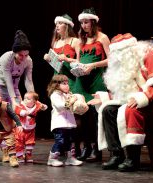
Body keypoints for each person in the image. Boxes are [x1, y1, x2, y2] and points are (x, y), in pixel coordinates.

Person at [88, 33, 153, 172]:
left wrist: (143, 98)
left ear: (127, 51)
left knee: (131, 109)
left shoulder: (148, 56)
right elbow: (123, 91)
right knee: (108, 110)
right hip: (133, 100)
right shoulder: (123, 65)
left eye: (119, 54)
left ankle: (133, 159)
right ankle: (116, 154)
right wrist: (105, 97)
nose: (117, 58)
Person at [0, 29, 34, 162]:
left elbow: (28, 80)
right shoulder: (6, 58)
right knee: (2, 118)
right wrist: (13, 101)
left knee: (16, 117)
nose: (23, 58)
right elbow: (8, 80)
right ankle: (3, 150)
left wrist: (34, 98)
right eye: (20, 55)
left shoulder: (28, 61)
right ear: (15, 53)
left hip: (13, 88)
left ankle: (12, 149)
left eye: (26, 55)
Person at [73, 7, 110, 162]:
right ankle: (85, 147)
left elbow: (111, 59)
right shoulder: (81, 40)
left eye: (86, 22)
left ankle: (97, 149)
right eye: (81, 22)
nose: (83, 25)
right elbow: (79, 59)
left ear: (93, 22)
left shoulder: (102, 38)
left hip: (96, 80)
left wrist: (93, 66)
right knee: (81, 115)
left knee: (96, 117)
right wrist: (78, 66)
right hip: (82, 80)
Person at [46, 74, 83, 167]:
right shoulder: (54, 95)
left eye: (67, 83)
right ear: (56, 85)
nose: (67, 85)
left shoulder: (66, 95)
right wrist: (71, 100)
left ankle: (70, 158)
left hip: (69, 123)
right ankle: (52, 159)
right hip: (59, 123)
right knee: (60, 141)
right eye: (64, 83)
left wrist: (76, 99)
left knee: (70, 141)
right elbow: (61, 106)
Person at [43, 14, 79, 92]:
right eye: (56, 24)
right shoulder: (55, 42)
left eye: (60, 23)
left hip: (69, 80)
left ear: (67, 26)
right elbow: (55, 64)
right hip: (56, 79)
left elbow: (80, 62)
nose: (57, 26)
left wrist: (66, 59)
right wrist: (48, 58)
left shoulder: (75, 41)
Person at [14, 91, 48, 163]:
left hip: (31, 128)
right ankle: (19, 156)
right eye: (25, 98)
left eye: (28, 99)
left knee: (30, 142)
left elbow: (45, 107)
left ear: (35, 101)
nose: (26, 100)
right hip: (21, 128)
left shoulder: (37, 105)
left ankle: (28, 155)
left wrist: (43, 106)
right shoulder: (21, 105)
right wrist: (22, 112)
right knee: (19, 142)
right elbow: (16, 110)